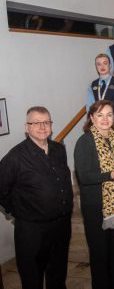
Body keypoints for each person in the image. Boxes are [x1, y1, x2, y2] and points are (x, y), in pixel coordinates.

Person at [0, 106, 73, 289]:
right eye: (36, 123)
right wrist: (19, 210)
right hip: (32, 231)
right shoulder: (15, 157)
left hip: (61, 227)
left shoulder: (58, 149)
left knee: (58, 276)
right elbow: (1, 189)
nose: (42, 127)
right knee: (32, 279)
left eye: (46, 122)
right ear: (27, 127)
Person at [74, 100, 114, 289]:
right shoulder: (84, 141)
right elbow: (84, 176)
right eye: (100, 115)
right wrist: (111, 175)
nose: (105, 119)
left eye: (109, 114)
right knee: (100, 256)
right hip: (96, 207)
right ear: (91, 118)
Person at [86, 53, 114, 126]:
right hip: (98, 124)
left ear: (110, 65)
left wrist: (112, 122)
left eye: (105, 63)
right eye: (99, 64)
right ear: (96, 67)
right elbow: (89, 106)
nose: (102, 66)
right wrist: (94, 122)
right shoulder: (92, 85)